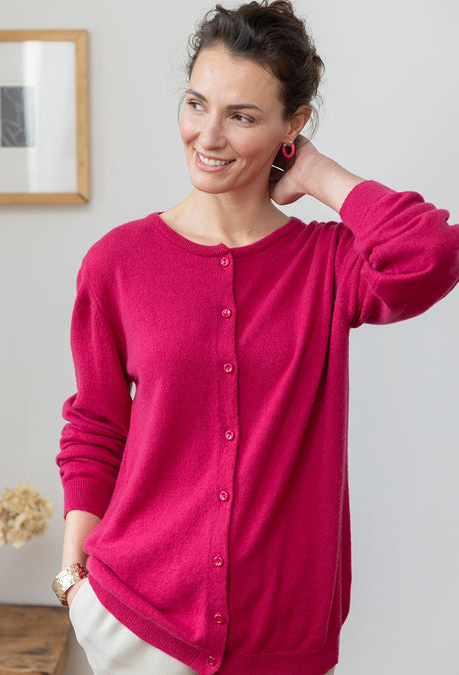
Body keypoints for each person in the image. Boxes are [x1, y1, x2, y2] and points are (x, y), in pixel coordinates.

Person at [53, 1, 459, 674]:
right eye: (196, 104)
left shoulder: (329, 264)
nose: (207, 135)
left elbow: (432, 254)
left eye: (241, 116)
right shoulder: (118, 263)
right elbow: (97, 426)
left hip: (283, 634)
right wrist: (74, 582)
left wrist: (319, 173)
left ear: (292, 125)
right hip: (136, 620)